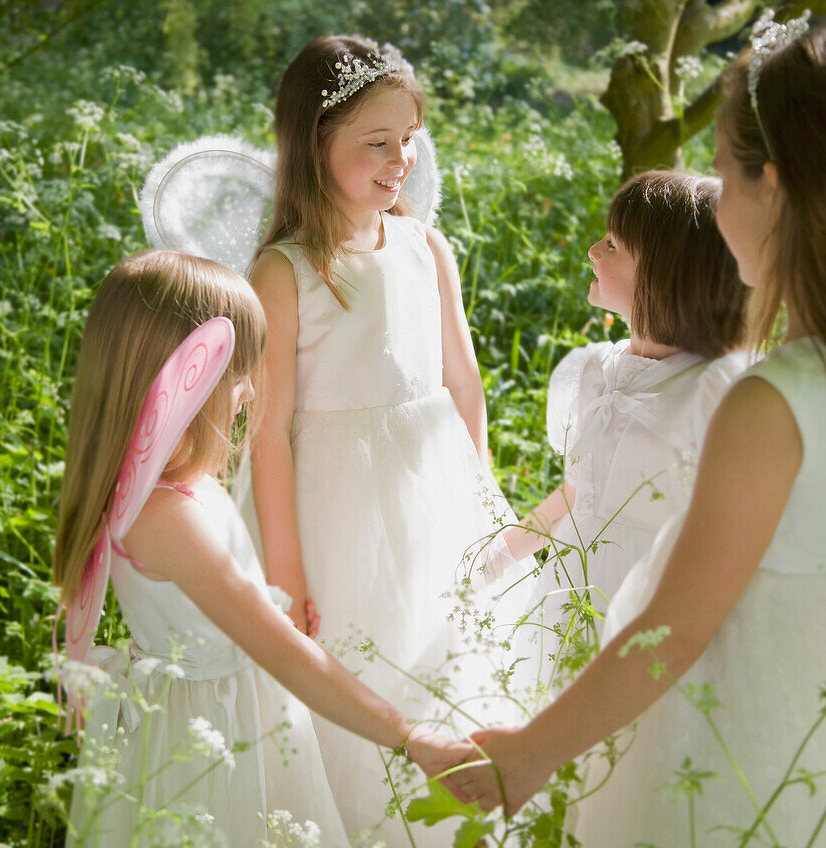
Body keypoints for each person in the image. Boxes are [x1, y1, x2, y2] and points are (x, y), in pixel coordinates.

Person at [454, 23, 826, 848]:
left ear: (770, 189)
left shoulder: (767, 402)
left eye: (726, 174)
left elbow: (675, 630)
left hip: (740, 749)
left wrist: (526, 756)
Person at [52, 250, 472, 847]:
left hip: (242, 712)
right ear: (183, 376)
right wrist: (410, 737)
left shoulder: (171, 488)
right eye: (237, 372)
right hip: (215, 738)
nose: (249, 393)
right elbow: (284, 656)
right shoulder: (166, 516)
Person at [246, 35, 522, 844]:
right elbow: (270, 428)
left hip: (433, 495)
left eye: (408, 139)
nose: (399, 159)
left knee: (446, 653)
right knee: (361, 661)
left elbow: (462, 387)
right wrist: (286, 569)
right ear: (313, 141)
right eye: (376, 143)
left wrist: (481, 503)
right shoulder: (287, 269)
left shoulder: (424, 247)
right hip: (336, 509)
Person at [483, 170, 751, 698]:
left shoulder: (713, 389)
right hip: (572, 591)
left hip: (654, 606)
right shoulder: (590, 372)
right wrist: (500, 555)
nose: (591, 251)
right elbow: (581, 493)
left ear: (663, 274)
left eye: (612, 244)